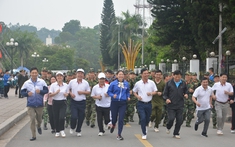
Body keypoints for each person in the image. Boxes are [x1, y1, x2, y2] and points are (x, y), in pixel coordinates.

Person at [21, 67, 49, 141]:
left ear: (37, 73)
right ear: (30, 73)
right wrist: (27, 94)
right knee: (32, 119)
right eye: (32, 73)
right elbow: (22, 92)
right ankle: (33, 135)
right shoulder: (27, 83)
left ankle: (39, 125)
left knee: (39, 119)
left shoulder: (42, 82)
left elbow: (46, 90)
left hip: (39, 104)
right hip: (31, 104)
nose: (34, 74)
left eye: (35, 73)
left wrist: (40, 91)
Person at [133, 68, 157, 140]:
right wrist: (137, 96)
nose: (146, 75)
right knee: (142, 118)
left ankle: (145, 126)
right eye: (145, 73)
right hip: (141, 104)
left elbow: (155, 91)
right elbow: (134, 91)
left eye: (147, 73)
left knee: (147, 118)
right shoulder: (138, 83)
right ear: (141, 74)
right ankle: (144, 133)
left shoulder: (151, 83)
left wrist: (151, 93)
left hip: (149, 103)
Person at [163, 70, 188, 139]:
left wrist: (186, 94)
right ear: (173, 76)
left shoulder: (183, 83)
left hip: (180, 104)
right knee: (171, 118)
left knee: (179, 120)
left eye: (179, 77)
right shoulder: (169, 83)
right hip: (171, 104)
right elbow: (165, 94)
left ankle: (176, 133)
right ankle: (168, 127)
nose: (177, 78)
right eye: (176, 77)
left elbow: (186, 90)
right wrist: (166, 99)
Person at [107, 70, 130, 140]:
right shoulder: (113, 83)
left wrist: (128, 97)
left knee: (121, 119)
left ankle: (119, 134)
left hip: (122, 103)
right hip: (114, 103)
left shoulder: (126, 84)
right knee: (114, 118)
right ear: (117, 75)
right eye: (119, 74)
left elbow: (127, 92)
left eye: (122, 74)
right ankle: (113, 125)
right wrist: (112, 95)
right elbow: (108, 92)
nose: (121, 76)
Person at [68, 68, 90, 137]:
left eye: (81, 73)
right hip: (74, 102)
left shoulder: (85, 83)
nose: (80, 75)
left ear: (83, 75)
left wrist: (82, 92)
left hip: (82, 102)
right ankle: (72, 127)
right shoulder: (72, 82)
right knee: (74, 116)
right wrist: (71, 93)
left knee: (81, 117)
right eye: (78, 73)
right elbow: (68, 89)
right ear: (76, 74)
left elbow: (88, 92)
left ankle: (78, 130)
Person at [49, 71, 69, 138]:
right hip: (55, 102)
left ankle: (62, 130)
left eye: (61, 76)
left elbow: (67, 93)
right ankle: (57, 131)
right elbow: (50, 95)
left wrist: (66, 94)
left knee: (61, 117)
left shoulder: (66, 85)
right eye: (58, 76)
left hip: (63, 102)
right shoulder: (53, 85)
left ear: (63, 77)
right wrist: (56, 93)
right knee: (56, 117)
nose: (59, 77)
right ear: (56, 77)